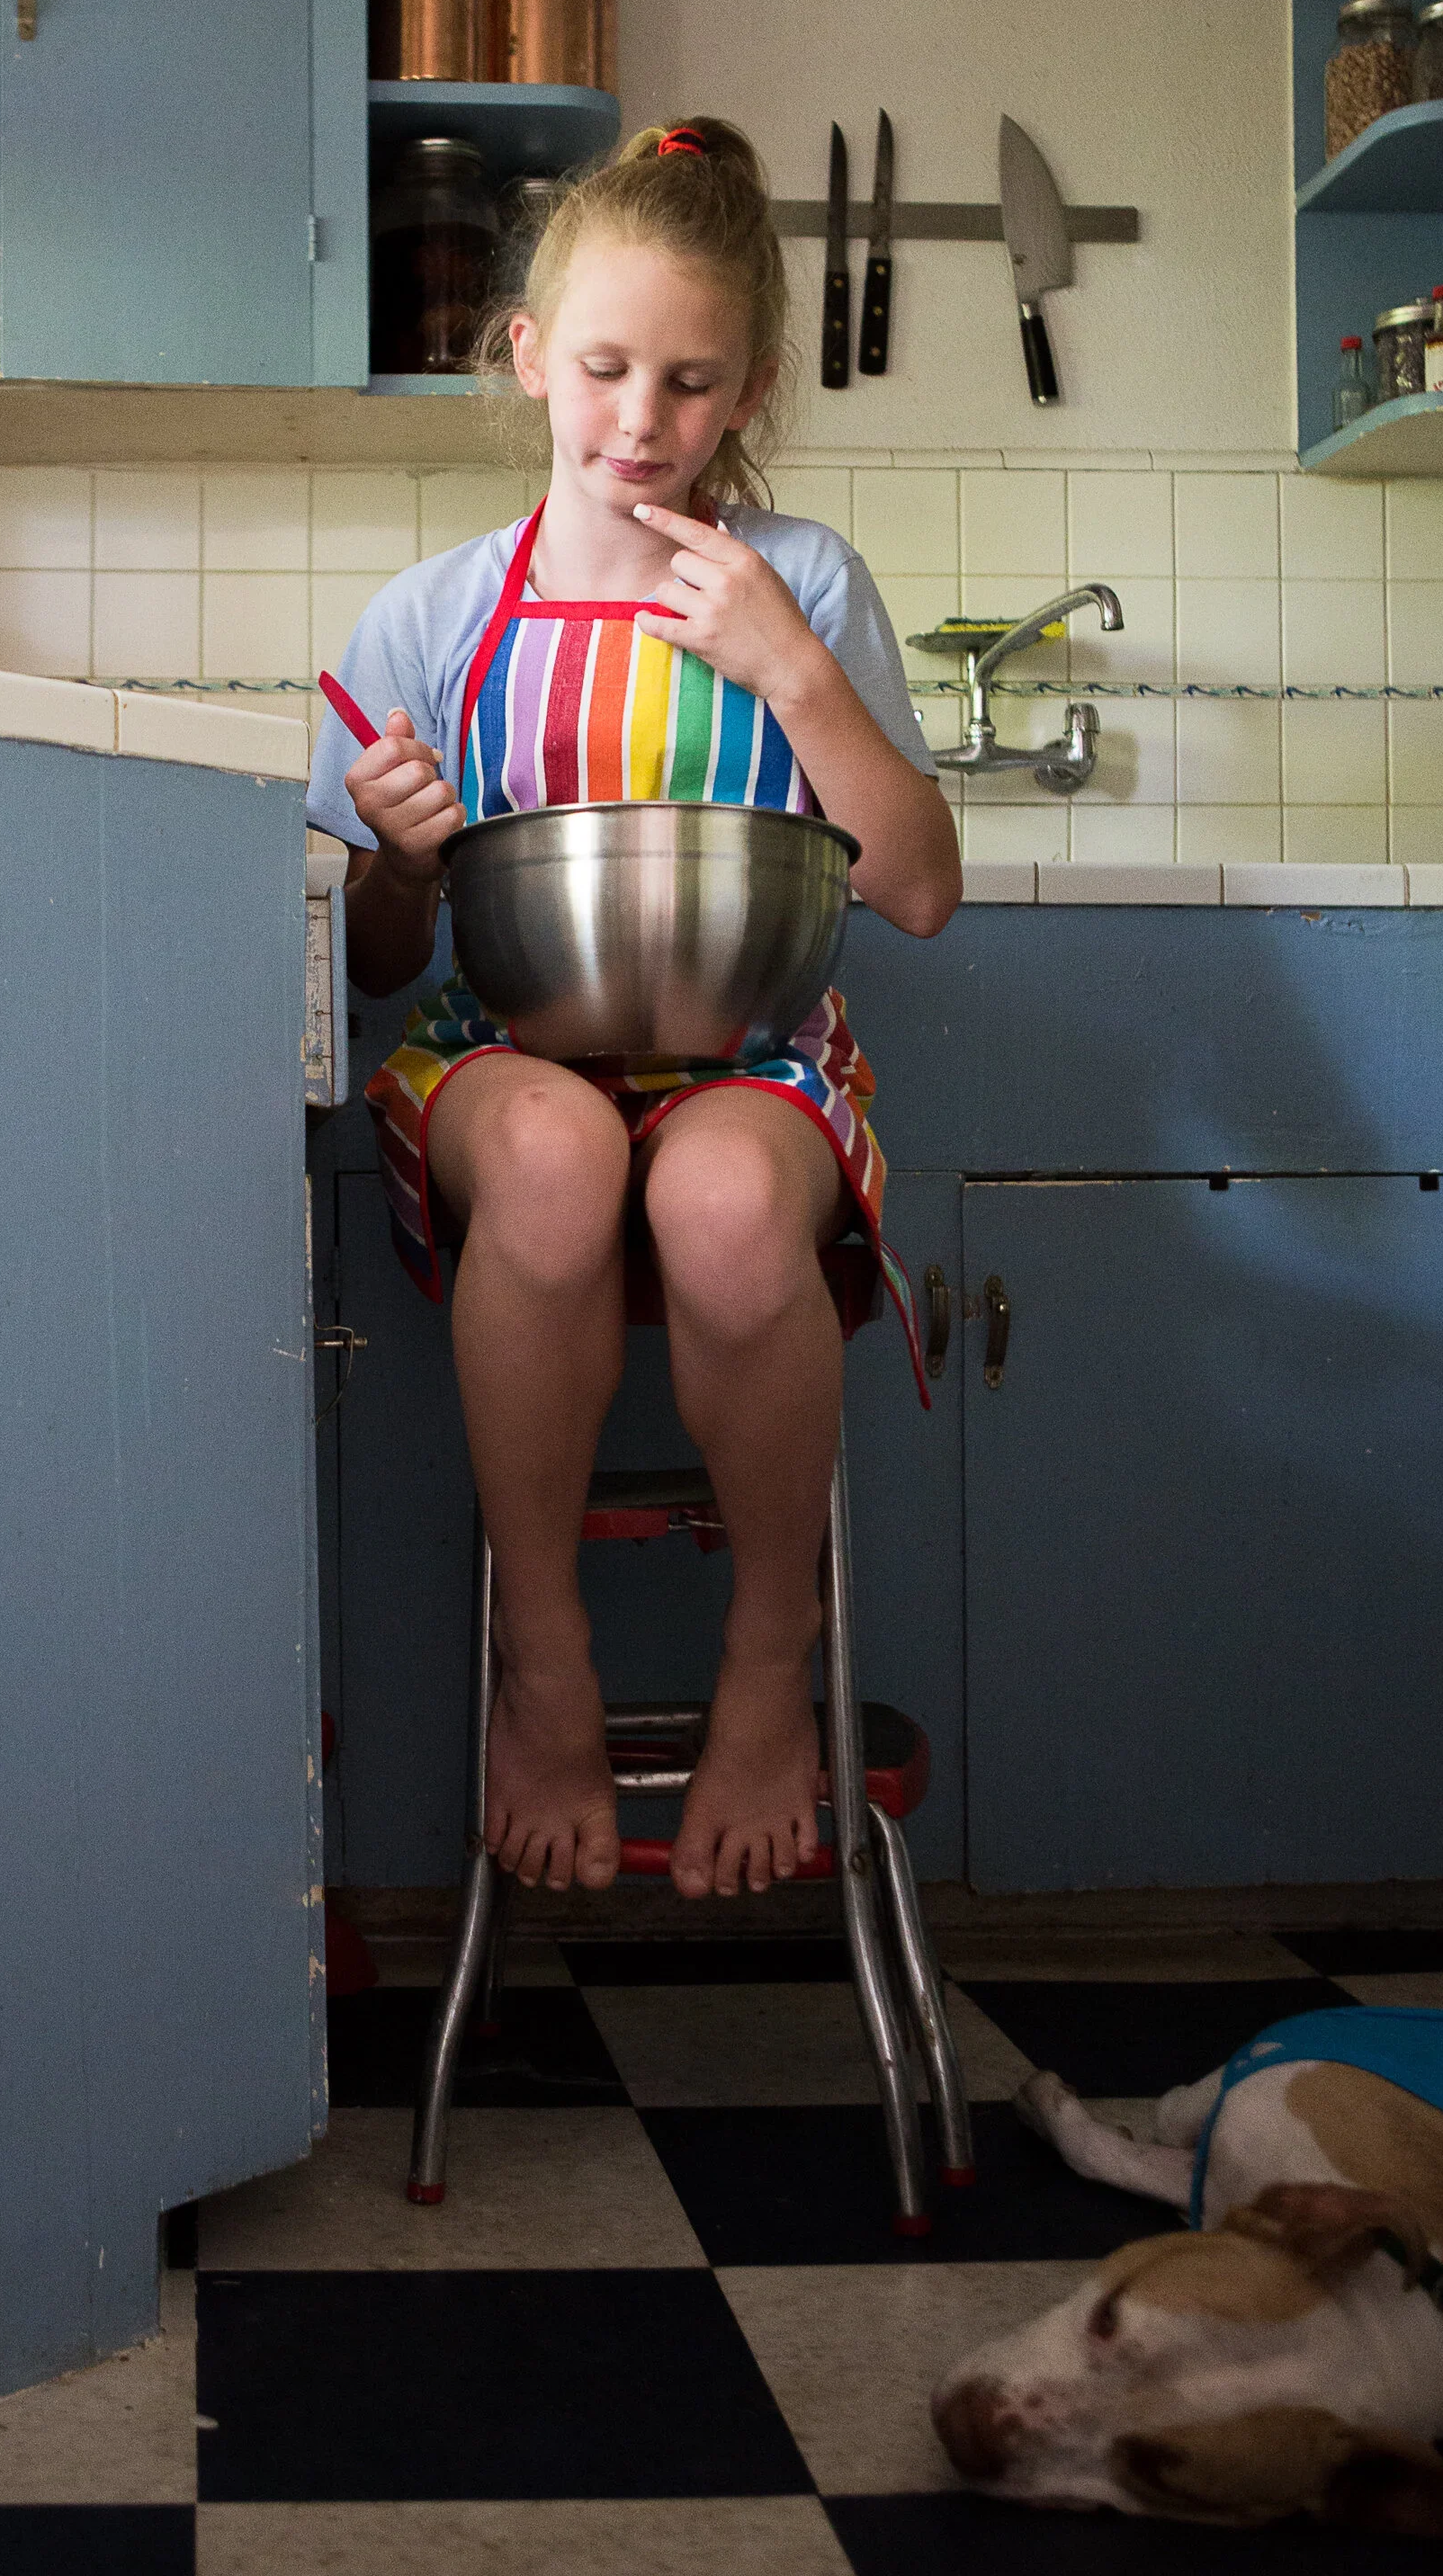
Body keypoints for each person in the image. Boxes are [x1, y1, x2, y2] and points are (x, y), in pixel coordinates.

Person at [306, 118, 961, 1907]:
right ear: (528, 354)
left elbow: (916, 888)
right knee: (553, 1158)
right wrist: (399, 862)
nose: (641, 420)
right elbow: (376, 966)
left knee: (728, 1201)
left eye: (690, 381)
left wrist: (791, 669)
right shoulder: (432, 616)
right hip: (502, 1052)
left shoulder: (802, 583)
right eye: (603, 368)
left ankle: (765, 1660)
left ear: (750, 390)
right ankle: (546, 1662)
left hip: (750, 1056)